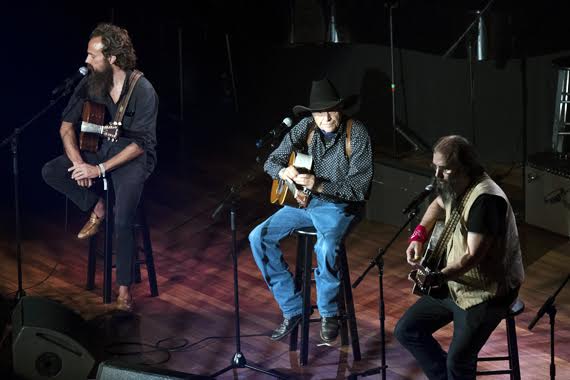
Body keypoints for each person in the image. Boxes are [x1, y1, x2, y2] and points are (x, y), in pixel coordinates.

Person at [42, 23, 158, 312]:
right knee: (53, 170)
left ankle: (124, 292)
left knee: (123, 220)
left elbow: (140, 144)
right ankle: (97, 207)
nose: (87, 61)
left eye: (93, 56)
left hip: (133, 159)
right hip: (102, 150)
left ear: (113, 59)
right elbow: (66, 126)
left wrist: (99, 170)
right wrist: (80, 163)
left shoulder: (143, 89)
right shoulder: (91, 82)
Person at [249, 78, 373, 343]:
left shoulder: (357, 133)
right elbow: (272, 160)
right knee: (257, 237)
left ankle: (329, 313)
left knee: (326, 248)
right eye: (319, 112)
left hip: (338, 207)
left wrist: (317, 184)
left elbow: (359, 189)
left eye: (330, 111)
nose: (325, 117)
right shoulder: (305, 127)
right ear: (312, 114)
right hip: (304, 203)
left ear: (340, 110)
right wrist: (285, 171)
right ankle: (293, 308)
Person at [394, 135, 525, 379]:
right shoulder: (457, 184)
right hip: (456, 284)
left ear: (466, 167)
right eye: (435, 167)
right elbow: (437, 204)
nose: (438, 175)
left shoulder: (486, 200)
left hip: (486, 293)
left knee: (459, 360)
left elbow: (472, 257)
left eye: (445, 169)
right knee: (407, 330)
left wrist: (438, 277)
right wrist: (419, 235)